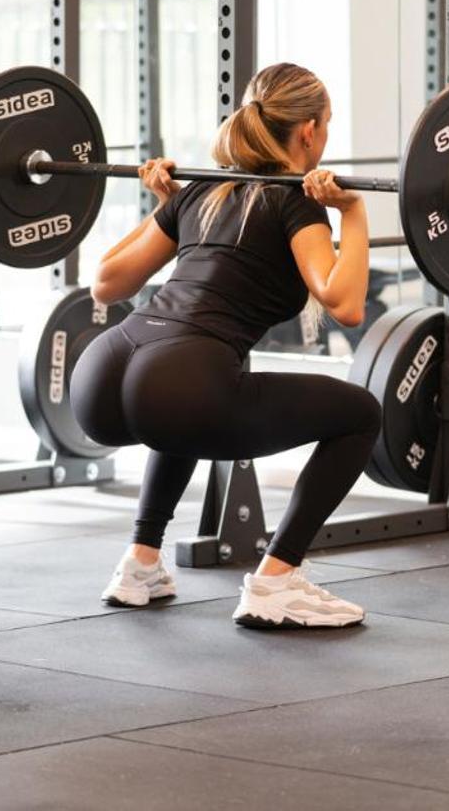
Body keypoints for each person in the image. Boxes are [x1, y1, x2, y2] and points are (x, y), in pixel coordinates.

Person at [72, 63, 382, 630]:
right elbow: (346, 303)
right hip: (176, 380)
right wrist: (354, 213)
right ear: (308, 131)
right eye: (328, 124)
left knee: (190, 387)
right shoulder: (293, 203)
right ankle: (277, 581)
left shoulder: (203, 193)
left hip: (103, 374)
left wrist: (164, 204)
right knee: (361, 413)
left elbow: (106, 283)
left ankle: (140, 565)